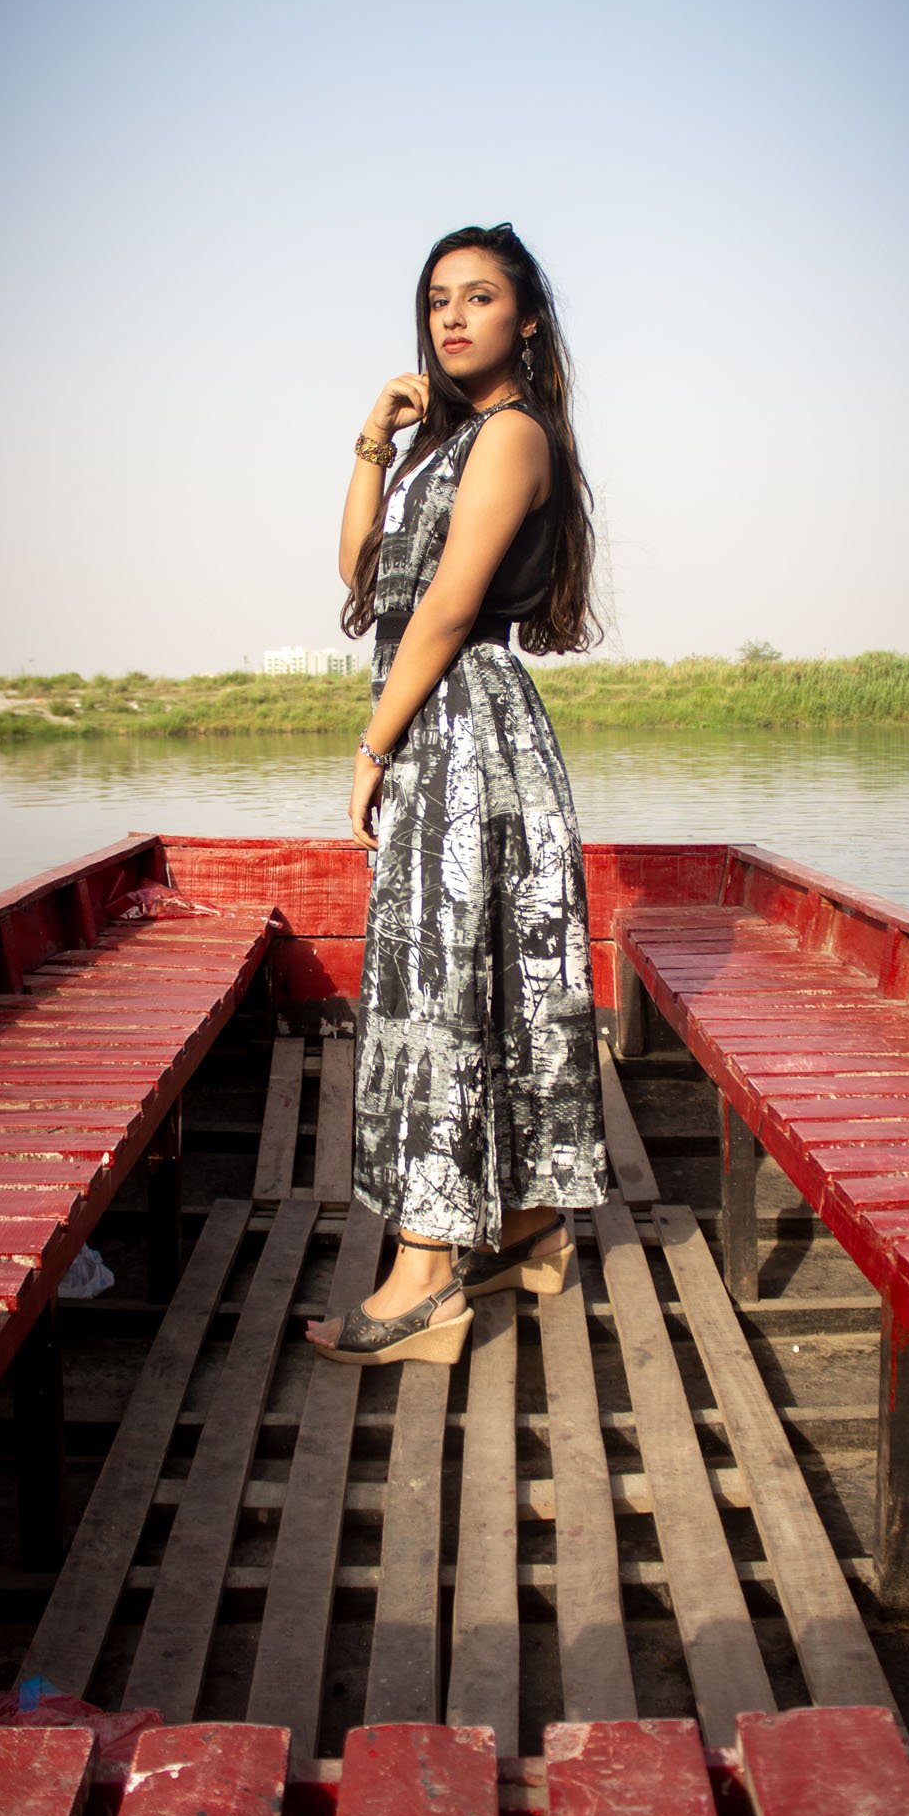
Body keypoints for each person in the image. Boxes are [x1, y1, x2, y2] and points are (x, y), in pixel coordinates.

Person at [306, 222, 609, 1367]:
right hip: (440, 724)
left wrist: (370, 747)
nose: (451, 316)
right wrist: (371, 441)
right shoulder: (443, 445)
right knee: (471, 976)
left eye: (478, 297)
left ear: (524, 320)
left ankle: (426, 1279)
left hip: (461, 726)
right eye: (437, 298)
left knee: (436, 984)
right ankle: (526, 1224)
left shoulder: (514, 434)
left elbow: (442, 608)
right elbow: (365, 572)